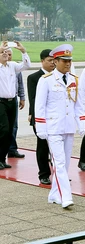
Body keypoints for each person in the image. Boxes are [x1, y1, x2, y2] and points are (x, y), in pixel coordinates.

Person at [35, 44, 85, 209]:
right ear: (55, 61)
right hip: (53, 127)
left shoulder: (74, 79)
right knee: (59, 163)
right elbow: (39, 106)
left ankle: (54, 195)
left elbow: (78, 104)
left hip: (69, 127)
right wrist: (41, 128)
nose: (68, 63)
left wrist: (81, 122)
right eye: (64, 60)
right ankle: (66, 196)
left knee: (65, 162)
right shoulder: (46, 81)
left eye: (69, 60)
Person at [0, 41, 30, 169]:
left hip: (12, 102)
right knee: (4, 129)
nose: (5, 54)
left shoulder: (12, 66)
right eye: (2, 52)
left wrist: (23, 51)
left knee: (10, 131)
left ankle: (2, 158)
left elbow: (26, 65)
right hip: (1, 102)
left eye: (7, 52)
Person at [27, 49, 55, 185]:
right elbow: (33, 100)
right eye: (49, 60)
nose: (52, 63)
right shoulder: (34, 78)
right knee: (43, 146)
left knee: (57, 147)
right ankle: (44, 174)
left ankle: (59, 173)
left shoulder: (58, 76)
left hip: (55, 118)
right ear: (42, 61)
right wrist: (34, 117)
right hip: (41, 118)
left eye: (54, 60)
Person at [5, 48, 26, 159]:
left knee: (13, 126)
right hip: (2, 102)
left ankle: (12, 149)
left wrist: (22, 98)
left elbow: (20, 84)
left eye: (9, 55)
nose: (8, 57)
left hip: (13, 100)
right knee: (4, 127)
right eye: (5, 54)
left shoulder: (15, 68)